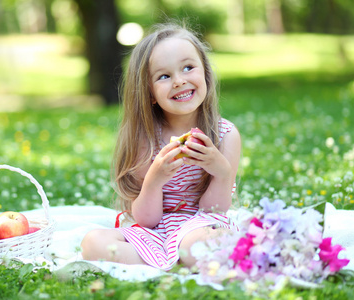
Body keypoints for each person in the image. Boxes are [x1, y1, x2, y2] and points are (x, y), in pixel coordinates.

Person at [80, 23, 241, 270]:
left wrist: (221, 171)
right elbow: (146, 220)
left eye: (188, 68)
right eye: (164, 76)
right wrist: (155, 179)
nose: (179, 81)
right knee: (93, 243)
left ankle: (168, 260)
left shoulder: (225, 135)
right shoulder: (145, 138)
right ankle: (174, 260)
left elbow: (214, 210)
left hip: (201, 227)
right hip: (156, 231)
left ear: (205, 74)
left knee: (200, 245)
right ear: (150, 93)